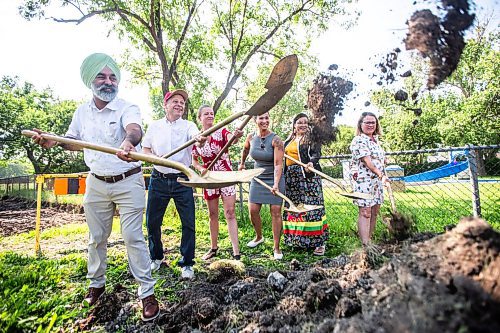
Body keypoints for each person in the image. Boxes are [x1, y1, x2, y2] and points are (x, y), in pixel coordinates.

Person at [31, 53, 159, 321]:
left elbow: (134, 130)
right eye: (101, 76)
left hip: (128, 181)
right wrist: (52, 141)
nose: (108, 81)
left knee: (133, 237)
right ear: (91, 81)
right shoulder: (82, 113)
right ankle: (96, 286)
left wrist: (128, 143)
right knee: (96, 238)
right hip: (97, 183)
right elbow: (72, 141)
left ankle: (146, 292)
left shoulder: (127, 107)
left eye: (112, 77)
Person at [143, 89, 206, 279]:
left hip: (182, 180)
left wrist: (200, 139)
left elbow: (198, 139)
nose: (180, 104)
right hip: (159, 179)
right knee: (152, 222)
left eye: (182, 102)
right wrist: (156, 159)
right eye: (175, 101)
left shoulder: (189, 126)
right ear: (165, 105)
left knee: (188, 223)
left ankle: (187, 263)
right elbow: (145, 150)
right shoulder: (154, 127)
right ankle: (156, 257)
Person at [191, 105, 243, 260]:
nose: (210, 115)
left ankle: (236, 251)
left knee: (230, 212)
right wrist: (201, 169)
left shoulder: (221, 130)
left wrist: (237, 136)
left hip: (226, 176)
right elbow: (194, 160)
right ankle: (213, 248)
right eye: (206, 114)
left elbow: (231, 140)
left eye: (212, 113)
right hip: (209, 178)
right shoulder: (196, 137)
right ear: (200, 117)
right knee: (212, 214)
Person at [239, 112, 285, 260]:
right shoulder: (251, 137)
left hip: (273, 178)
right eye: (261, 118)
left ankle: (276, 247)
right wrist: (242, 163)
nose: (264, 121)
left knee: (275, 211)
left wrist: (276, 184)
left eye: (267, 118)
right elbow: (245, 149)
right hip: (257, 177)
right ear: (255, 120)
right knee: (253, 210)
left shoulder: (276, 140)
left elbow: (278, 164)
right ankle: (259, 237)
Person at [282, 113, 328, 255]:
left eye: (305, 123)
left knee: (312, 207)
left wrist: (311, 163)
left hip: (308, 178)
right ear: (294, 125)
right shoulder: (287, 141)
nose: (302, 125)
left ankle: (319, 243)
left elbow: (316, 154)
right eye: (299, 122)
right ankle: (298, 240)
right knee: (296, 208)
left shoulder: (312, 140)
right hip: (291, 179)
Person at [349, 112, 390, 245]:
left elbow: (378, 159)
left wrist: (384, 162)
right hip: (364, 181)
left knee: (374, 211)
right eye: (367, 122)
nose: (370, 125)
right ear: (361, 125)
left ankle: (369, 240)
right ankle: (365, 244)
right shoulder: (359, 140)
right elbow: (367, 161)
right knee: (366, 211)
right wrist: (381, 174)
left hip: (376, 181)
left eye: (373, 122)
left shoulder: (376, 140)